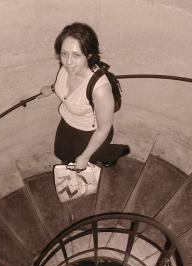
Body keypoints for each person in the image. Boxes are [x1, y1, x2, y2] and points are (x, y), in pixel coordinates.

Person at [40, 22, 130, 171]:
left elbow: (103, 128)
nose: (68, 62)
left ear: (89, 54)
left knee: (89, 158)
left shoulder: (100, 89)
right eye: (64, 53)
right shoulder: (66, 68)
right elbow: (65, 88)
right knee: (63, 153)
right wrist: (51, 88)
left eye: (76, 55)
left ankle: (117, 152)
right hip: (67, 124)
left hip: (89, 133)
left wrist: (85, 156)